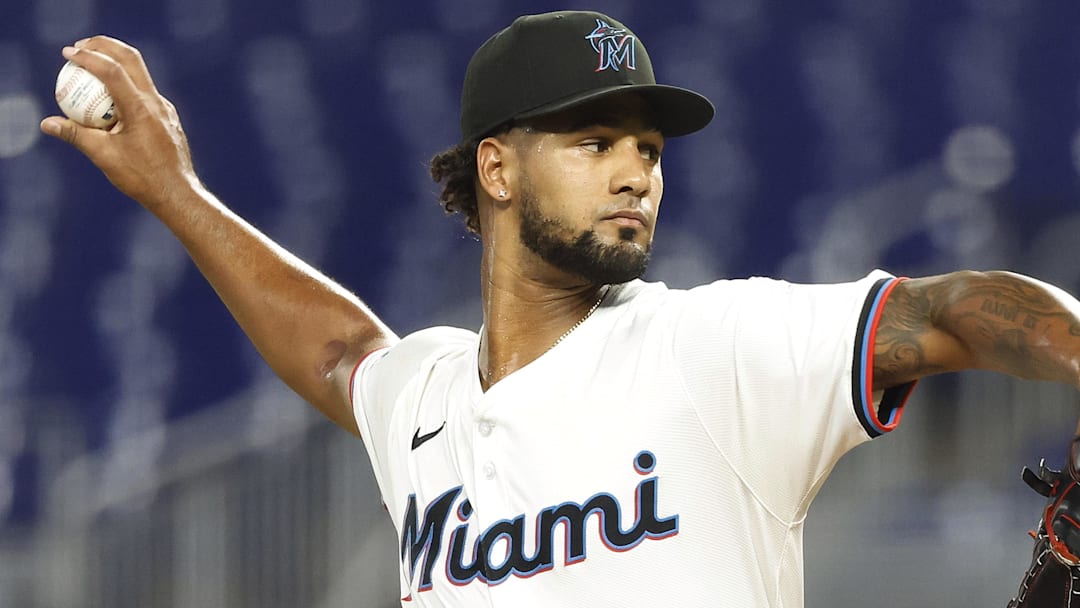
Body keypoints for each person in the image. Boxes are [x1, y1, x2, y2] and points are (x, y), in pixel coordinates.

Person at [38, 9, 1080, 608]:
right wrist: (174, 191)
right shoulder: (427, 395)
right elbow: (337, 354)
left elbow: (951, 308)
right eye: (594, 143)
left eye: (649, 149)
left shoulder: (710, 347)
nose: (635, 173)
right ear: (496, 166)